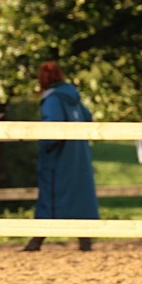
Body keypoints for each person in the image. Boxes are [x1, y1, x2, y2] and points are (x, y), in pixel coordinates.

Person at [24, 62, 98, 252]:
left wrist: (43, 145)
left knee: (50, 195)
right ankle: (85, 241)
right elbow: (88, 118)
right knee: (80, 195)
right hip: (77, 155)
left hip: (58, 158)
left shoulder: (53, 100)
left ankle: (36, 241)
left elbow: (52, 130)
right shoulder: (73, 98)